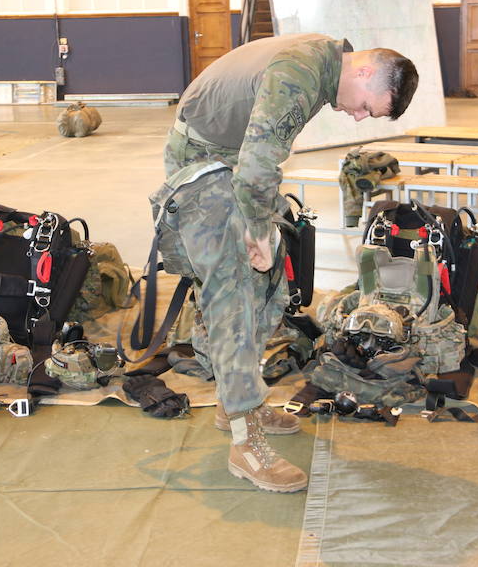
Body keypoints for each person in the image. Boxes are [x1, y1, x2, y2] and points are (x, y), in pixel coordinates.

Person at [153, 33, 419, 493]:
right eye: (366, 107)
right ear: (363, 72)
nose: (356, 116)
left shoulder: (324, 61)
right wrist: (257, 229)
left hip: (227, 160)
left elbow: (259, 156)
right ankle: (244, 442)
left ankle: (237, 400)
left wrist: (263, 233)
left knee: (272, 281)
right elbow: (258, 166)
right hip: (202, 164)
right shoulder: (302, 72)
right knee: (233, 288)